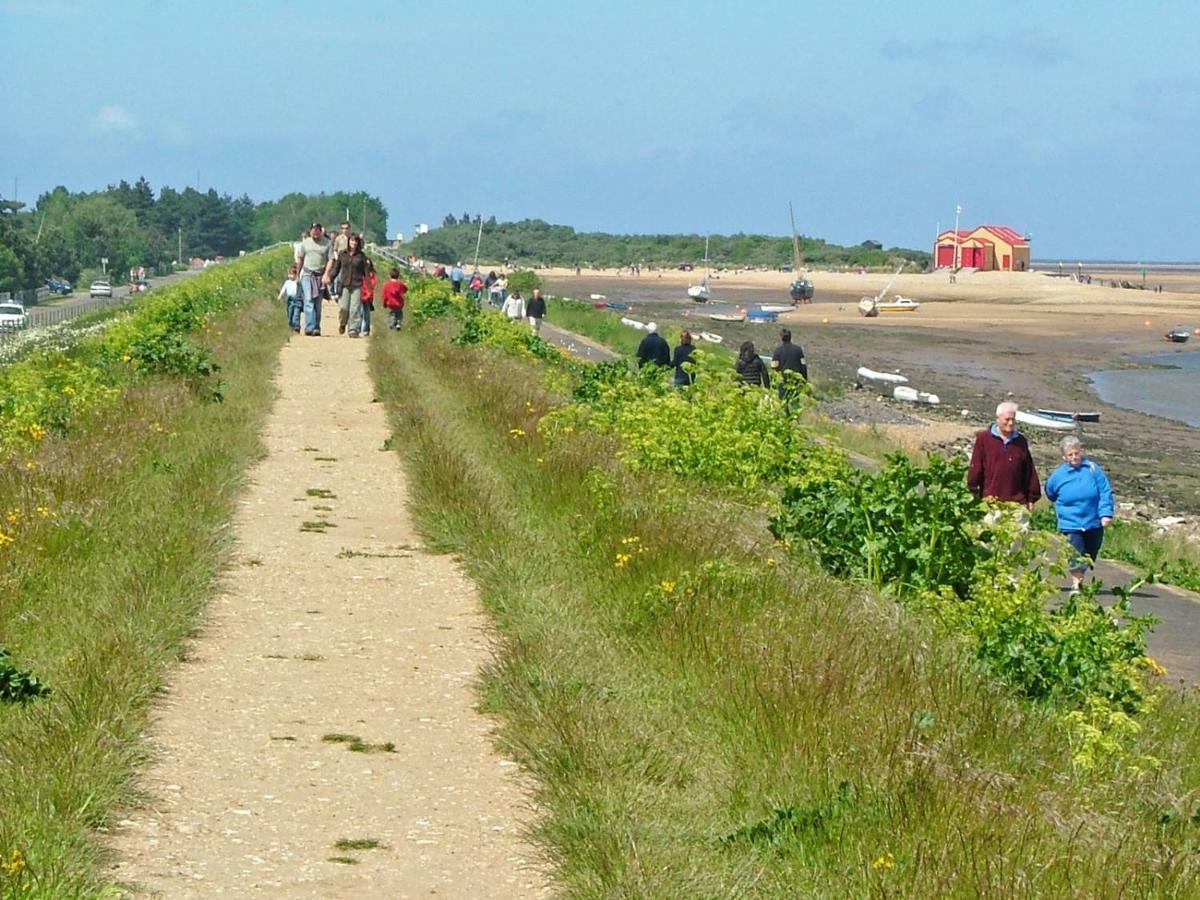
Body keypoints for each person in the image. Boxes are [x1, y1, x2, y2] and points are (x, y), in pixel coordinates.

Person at [1045, 435, 1114, 591]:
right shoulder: (1058, 476)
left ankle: (1080, 577)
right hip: (1070, 522)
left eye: (1076, 453)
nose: (1074, 457)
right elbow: (1050, 492)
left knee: (1090, 552)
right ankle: (1077, 584)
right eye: (1070, 455)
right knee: (1075, 552)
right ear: (1064, 456)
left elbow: (1105, 491)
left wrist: (1105, 513)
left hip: (1093, 520)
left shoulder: (1092, 469)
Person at [967, 401, 1042, 507]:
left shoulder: (1020, 441)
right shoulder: (984, 439)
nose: (1010, 423)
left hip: (1017, 501)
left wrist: (1032, 497)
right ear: (998, 419)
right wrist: (973, 488)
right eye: (1007, 419)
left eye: (1013, 419)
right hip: (991, 499)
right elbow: (976, 465)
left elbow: (1028, 471)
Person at [294, 222, 334, 335]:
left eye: (317, 230)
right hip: (307, 274)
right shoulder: (305, 243)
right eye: (313, 230)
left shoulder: (327, 243)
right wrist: (298, 275)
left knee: (317, 303)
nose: (315, 232)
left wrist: (327, 274)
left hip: (320, 275)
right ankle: (309, 327)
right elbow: (300, 259)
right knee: (308, 300)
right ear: (310, 231)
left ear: (320, 231)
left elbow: (331, 259)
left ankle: (316, 327)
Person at [329, 233, 371, 337]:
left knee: (355, 308)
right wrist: (330, 277)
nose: (353, 243)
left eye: (355, 241)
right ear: (348, 242)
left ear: (358, 243)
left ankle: (353, 329)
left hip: (357, 285)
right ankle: (343, 323)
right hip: (344, 285)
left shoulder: (361, 256)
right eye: (352, 240)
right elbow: (337, 268)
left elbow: (366, 272)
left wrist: (368, 284)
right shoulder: (342, 254)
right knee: (344, 308)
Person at [278, 265, 302, 333]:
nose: (290, 276)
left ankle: (296, 326)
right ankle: (291, 324)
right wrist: (280, 295)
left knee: (296, 313)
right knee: (289, 312)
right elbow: (283, 289)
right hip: (289, 299)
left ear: (295, 275)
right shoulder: (287, 282)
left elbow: (301, 290)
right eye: (289, 274)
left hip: (297, 299)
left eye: (292, 274)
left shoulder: (298, 282)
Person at [360, 259, 377, 336]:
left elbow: (373, 284)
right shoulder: (359, 273)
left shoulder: (372, 274)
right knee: (360, 312)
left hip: (368, 296)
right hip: (360, 294)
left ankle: (365, 329)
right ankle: (359, 328)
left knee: (366, 314)